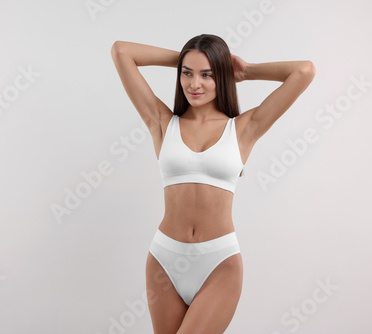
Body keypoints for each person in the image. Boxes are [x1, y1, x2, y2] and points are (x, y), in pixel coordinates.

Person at [110, 34, 315, 334]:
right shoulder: (162, 123)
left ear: (221, 76)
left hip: (219, 264)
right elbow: (121, 51)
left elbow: (304, 71)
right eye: (187, 73)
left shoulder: (244, 128)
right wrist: (183, 58)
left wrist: (246, 71)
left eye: (207, 75)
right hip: (164, 260)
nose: (195, 84)